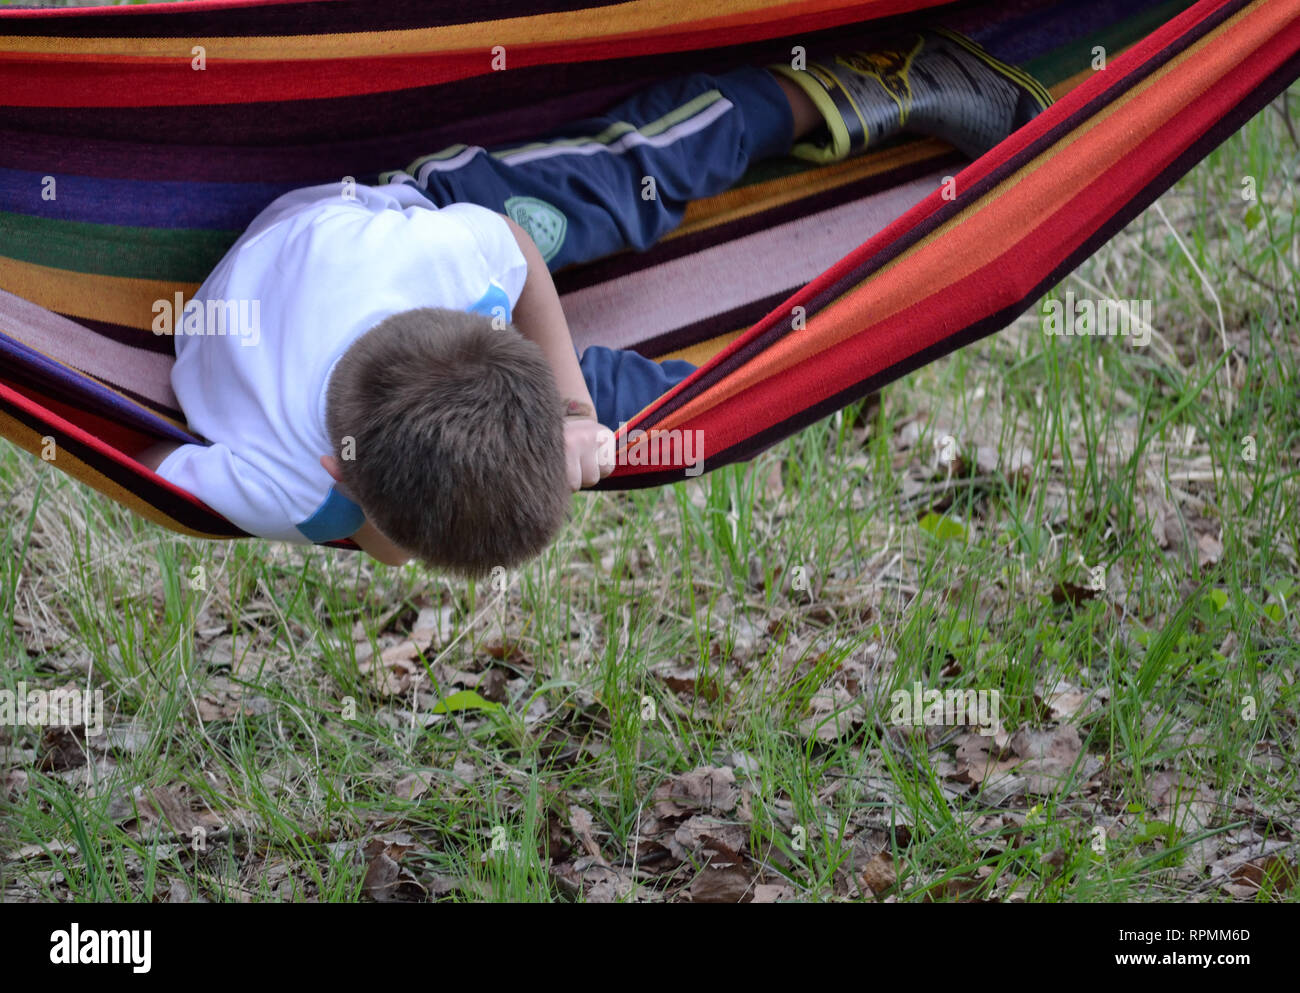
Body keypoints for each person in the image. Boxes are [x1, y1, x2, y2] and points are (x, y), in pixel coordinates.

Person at [138, 28, 1051, 575]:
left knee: (628, 180)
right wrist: (586, 428)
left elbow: (518, 249)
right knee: (667, 414)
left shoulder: (446, 261)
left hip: (378, 210)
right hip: (312, 311)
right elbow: (148, 472)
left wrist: (572, 408)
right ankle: (819, 346)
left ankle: (848, 85)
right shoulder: (297, 471)